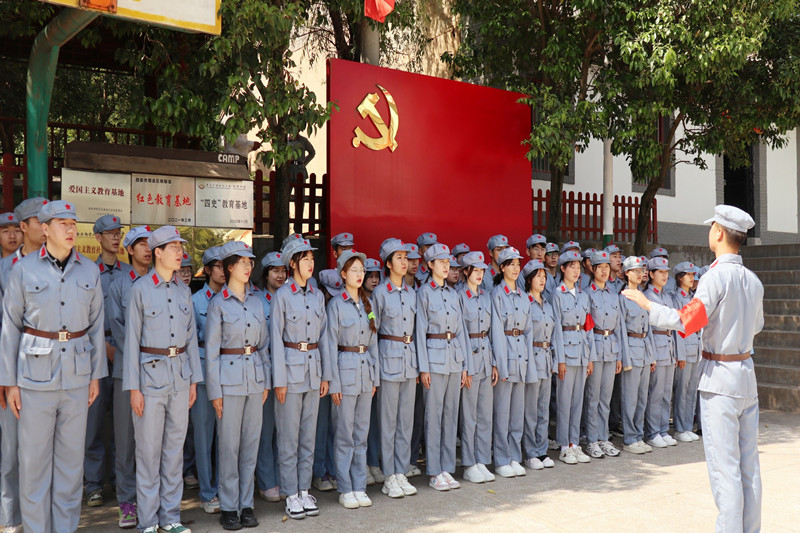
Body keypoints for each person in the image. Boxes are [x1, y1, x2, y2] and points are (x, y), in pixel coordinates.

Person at [624, 205, 763, 533]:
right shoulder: (752, 280)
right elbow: (756, 325)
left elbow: (687, 320)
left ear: (719, 232)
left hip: (720, 378)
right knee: (749, 470)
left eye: (712, 226)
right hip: (745, 373)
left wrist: (648, 304)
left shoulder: (715, 277)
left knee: (725, 471)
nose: (710, 230)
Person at [0, 200, 107, 533]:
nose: (71, 229)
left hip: (77, 377)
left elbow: (96, 326)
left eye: (73, 223)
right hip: (34, 378)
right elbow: (10, 327)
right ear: (45, 230)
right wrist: (10, 382)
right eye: (63, 223)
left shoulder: (89, 270)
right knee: (34, 464)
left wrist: (95, 376)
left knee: (71, 465)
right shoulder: (23, 269)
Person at [123, 225, 202, 533]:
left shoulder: (184, 290)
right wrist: (134, 389)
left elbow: (191, 339)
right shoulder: (140, 289)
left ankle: (170, 518)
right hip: (149, 379)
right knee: (148, 453)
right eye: (173, 247)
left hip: (179, 377)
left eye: (180, 247)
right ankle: (148, 521)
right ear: (157, 252)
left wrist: (193, 381)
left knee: (173, 452)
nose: (180, 252)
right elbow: (131, 342)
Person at [204, 241, 269, 530]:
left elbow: (263, 346)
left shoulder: (256, 302)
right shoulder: (218, 304)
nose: (248, 267)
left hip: (254, 378)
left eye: (250, 262)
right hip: (228, 382)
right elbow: (212, 352)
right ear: (229, 267)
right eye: (242, 262)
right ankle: (229, 506)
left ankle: (247, 504)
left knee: (250, 444)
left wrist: (266, 380)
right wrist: (215, 392)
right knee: (229, 447)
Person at [271, 237, 329, 520]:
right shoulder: (282, 295)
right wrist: (279, 380)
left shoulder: (317, 296)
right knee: (289, 436)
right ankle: (291, 493)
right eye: (304, 259)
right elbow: (275, 339)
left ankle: (304, 490)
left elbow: (324, 337)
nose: (310, 263)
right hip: (291, 372)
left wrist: (326, 375)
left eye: (312, 258)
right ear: (292, 263)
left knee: (308, 435)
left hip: (313, 371)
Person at [0, 197, 47, 533]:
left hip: (47, 373)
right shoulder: (5, 268)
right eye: (39, 221)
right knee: (12, 450)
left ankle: (43, 518)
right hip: (12, 371)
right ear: (24, 227)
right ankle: (11, 517)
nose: (45, 227)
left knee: (44, 450)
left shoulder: (57, 264)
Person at [323, 250, 379, 509]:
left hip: (365, 372)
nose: (359, 274)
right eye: (354, 270)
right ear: (343, 274)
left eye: (361, 270)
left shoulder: (369, 304)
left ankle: (359, 485)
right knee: (344, 434)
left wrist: (375, 377)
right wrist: (333, 382)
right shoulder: (336, 305)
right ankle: (345, 487)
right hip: (344, 373)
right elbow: (329, 346)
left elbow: (374, 343)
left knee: (361, 434)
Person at [107, 225, 153, 528]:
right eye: (141, 244)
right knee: (125, 441)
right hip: (127, 371)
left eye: (151, 244)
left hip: (159, 373)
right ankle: (127, 502)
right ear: (130, 250)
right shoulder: (119, 285)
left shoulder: (162, 281)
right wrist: (146, 352)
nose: (147, 249)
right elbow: (118, 329)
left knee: (154, 443)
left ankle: (152, 501)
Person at [86, 214, 131, 509]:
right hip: (97, 352)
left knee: (122, 422)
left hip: (125, 351)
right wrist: (103, 347)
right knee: (94, 420)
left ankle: (119, 479)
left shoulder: (129, 273)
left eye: (118, 233)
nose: (115, 238)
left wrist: (120, 348)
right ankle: (93, 484)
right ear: (98, 238)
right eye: (110, 233)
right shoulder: (89, 273)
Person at [416, 243, 470, 491]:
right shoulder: (424, 293)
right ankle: (434, 470)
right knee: (434, 416)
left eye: (448, 262)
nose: (447, 266)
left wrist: (464, 364)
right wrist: (423, 368)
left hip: (454, 358)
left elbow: (461, 331)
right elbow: (420, 332)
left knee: (450, 414)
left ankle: (447, 467)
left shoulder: (453, 293)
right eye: (441, 262)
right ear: (430, 265)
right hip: (434, 358)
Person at [371, 239, 419, 498]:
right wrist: (374, 368)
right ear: (388, 263)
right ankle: (389, 473)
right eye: (398, 258)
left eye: (405, 257)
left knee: (405, 421)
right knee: (388, 422)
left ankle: (401, 470)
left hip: (409, 362)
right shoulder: (380, 293)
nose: (404, 262)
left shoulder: (412, 293)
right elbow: (373, 332)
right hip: (388, 360)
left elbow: (417, 331)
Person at [189, 246, 225, 515]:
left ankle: (225, 487)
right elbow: (190, 342)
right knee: (204, 436)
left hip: (229, 371)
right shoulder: (196, 301)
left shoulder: (233, 298)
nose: (223, 271)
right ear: (208, 270)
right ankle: (207, 492)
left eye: (226, 265)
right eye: (219, 266)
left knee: (226, 437)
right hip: (203, 373)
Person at [490, 246, 530, 478]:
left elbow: (528, 332)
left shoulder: (524, 296)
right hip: (505, 355)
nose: (516, 268)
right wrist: (500, 364)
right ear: (502, 267)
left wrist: (528, 364)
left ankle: (515, 456)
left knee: (517, 413)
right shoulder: (497, 295)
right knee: (502, 413)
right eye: (511, 264)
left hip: (521, 356)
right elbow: (496, 332)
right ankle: (501, 458)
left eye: (518, 264)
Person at [551, 250, 595, 465]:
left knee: (578, 401)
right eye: (572, 267)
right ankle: (564, 445)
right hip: (566, 354)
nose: (576, 271)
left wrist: (590, 357)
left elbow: (588, 327)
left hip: (581, 353)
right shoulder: (557, 294)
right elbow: (556, 330)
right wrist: (559, 359)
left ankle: (574, 442)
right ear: (563, 269)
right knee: (564, 402)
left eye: (578, 267)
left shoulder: (583, 295)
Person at [457, 251, 495, 483]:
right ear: (465, 271)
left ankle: (482, 460)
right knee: (469, 416)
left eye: (482, 270)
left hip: (486, 357)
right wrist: (466, 367)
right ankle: (469, 463)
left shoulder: (486, 297)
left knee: (484, 415)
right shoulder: (459, 297)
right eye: (475, 270)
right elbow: (460, 334)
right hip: (470, 359)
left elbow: (492, 333)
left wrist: (494, 362)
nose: (480, 274)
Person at [583, 250, 623, 459]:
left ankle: (603, 437)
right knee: (593, 397)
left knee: (605, 397)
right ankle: (592, 440)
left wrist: (620, 355)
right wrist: (589, 356)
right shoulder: (587, 294)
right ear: (593, 269)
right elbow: (587, 327)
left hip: (611, 348)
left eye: (607, 267)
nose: (605, 271)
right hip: (595, 348)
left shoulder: (613, 294)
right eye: (601, 267)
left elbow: (619, 327)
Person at [521, 260, 556, 470]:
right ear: (529, 280)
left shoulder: (548, 304)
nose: (542, 280)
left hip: (546, 358)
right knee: (530, 410)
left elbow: (554, 335)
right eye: (538, 276)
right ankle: (530, 452)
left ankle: (542, 450)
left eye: (544, 276)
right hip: (532, 359)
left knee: (543, 409)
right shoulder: (525, 303)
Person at [256, 251, 286, 503]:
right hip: (266, 369)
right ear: (266, 275)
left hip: (288, 369)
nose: (280, 275)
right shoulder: (257, 300)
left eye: (283, 270)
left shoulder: (291, 297)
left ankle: (283, 477)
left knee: (284, 429)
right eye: (275, 270)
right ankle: (267, 481)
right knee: (266, 430)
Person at [618, 256, 655, 455]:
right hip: (631, 350)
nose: (640, 274)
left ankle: (639, 435)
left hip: (644, 350)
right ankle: (630, 438)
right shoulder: (623, 297)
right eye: (636, 271)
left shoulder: (642, 297)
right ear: (627, 273)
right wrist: (625, 358)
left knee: (642, 397)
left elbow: (648, 328)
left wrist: (652, 355)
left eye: (642, 270)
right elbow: (621, 331)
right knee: (630, 398)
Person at [642, 256, 680, 449]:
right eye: (660, 272)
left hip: (669, 345)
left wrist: (676, 351)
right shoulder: (647, 297)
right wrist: (650, 355)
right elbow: (646, 329)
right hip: (656, 346)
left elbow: (674, 325)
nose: (665, 276)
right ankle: (652, 432)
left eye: (666, 272)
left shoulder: (667, 297)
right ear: (650, 274)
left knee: (666, 392)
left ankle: (663, 429)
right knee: (655, 392)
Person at [671, 262, 702, 443]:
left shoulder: (693, 298)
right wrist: (680, 354)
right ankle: (679, 427)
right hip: (684, 347)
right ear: (679, 278)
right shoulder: (676, 298)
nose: (692, 278)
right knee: (681, 390)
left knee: (691, 390)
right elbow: (677, 328)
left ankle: (688, 426)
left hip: (695, 348)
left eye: (693, 275)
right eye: (688, 275)